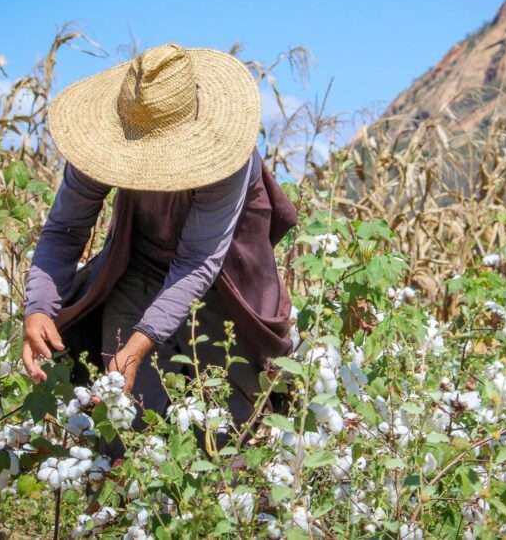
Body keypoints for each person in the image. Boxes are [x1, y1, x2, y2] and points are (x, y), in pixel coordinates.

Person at [20, 43, 298, 458]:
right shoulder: (101, 141)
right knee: (124, 423)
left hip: (225, 285)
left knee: (222, 438)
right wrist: (39, 307)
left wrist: (139, 345)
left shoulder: (226, 157)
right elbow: (64, 230)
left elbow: (198, 261)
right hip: (140, 268)